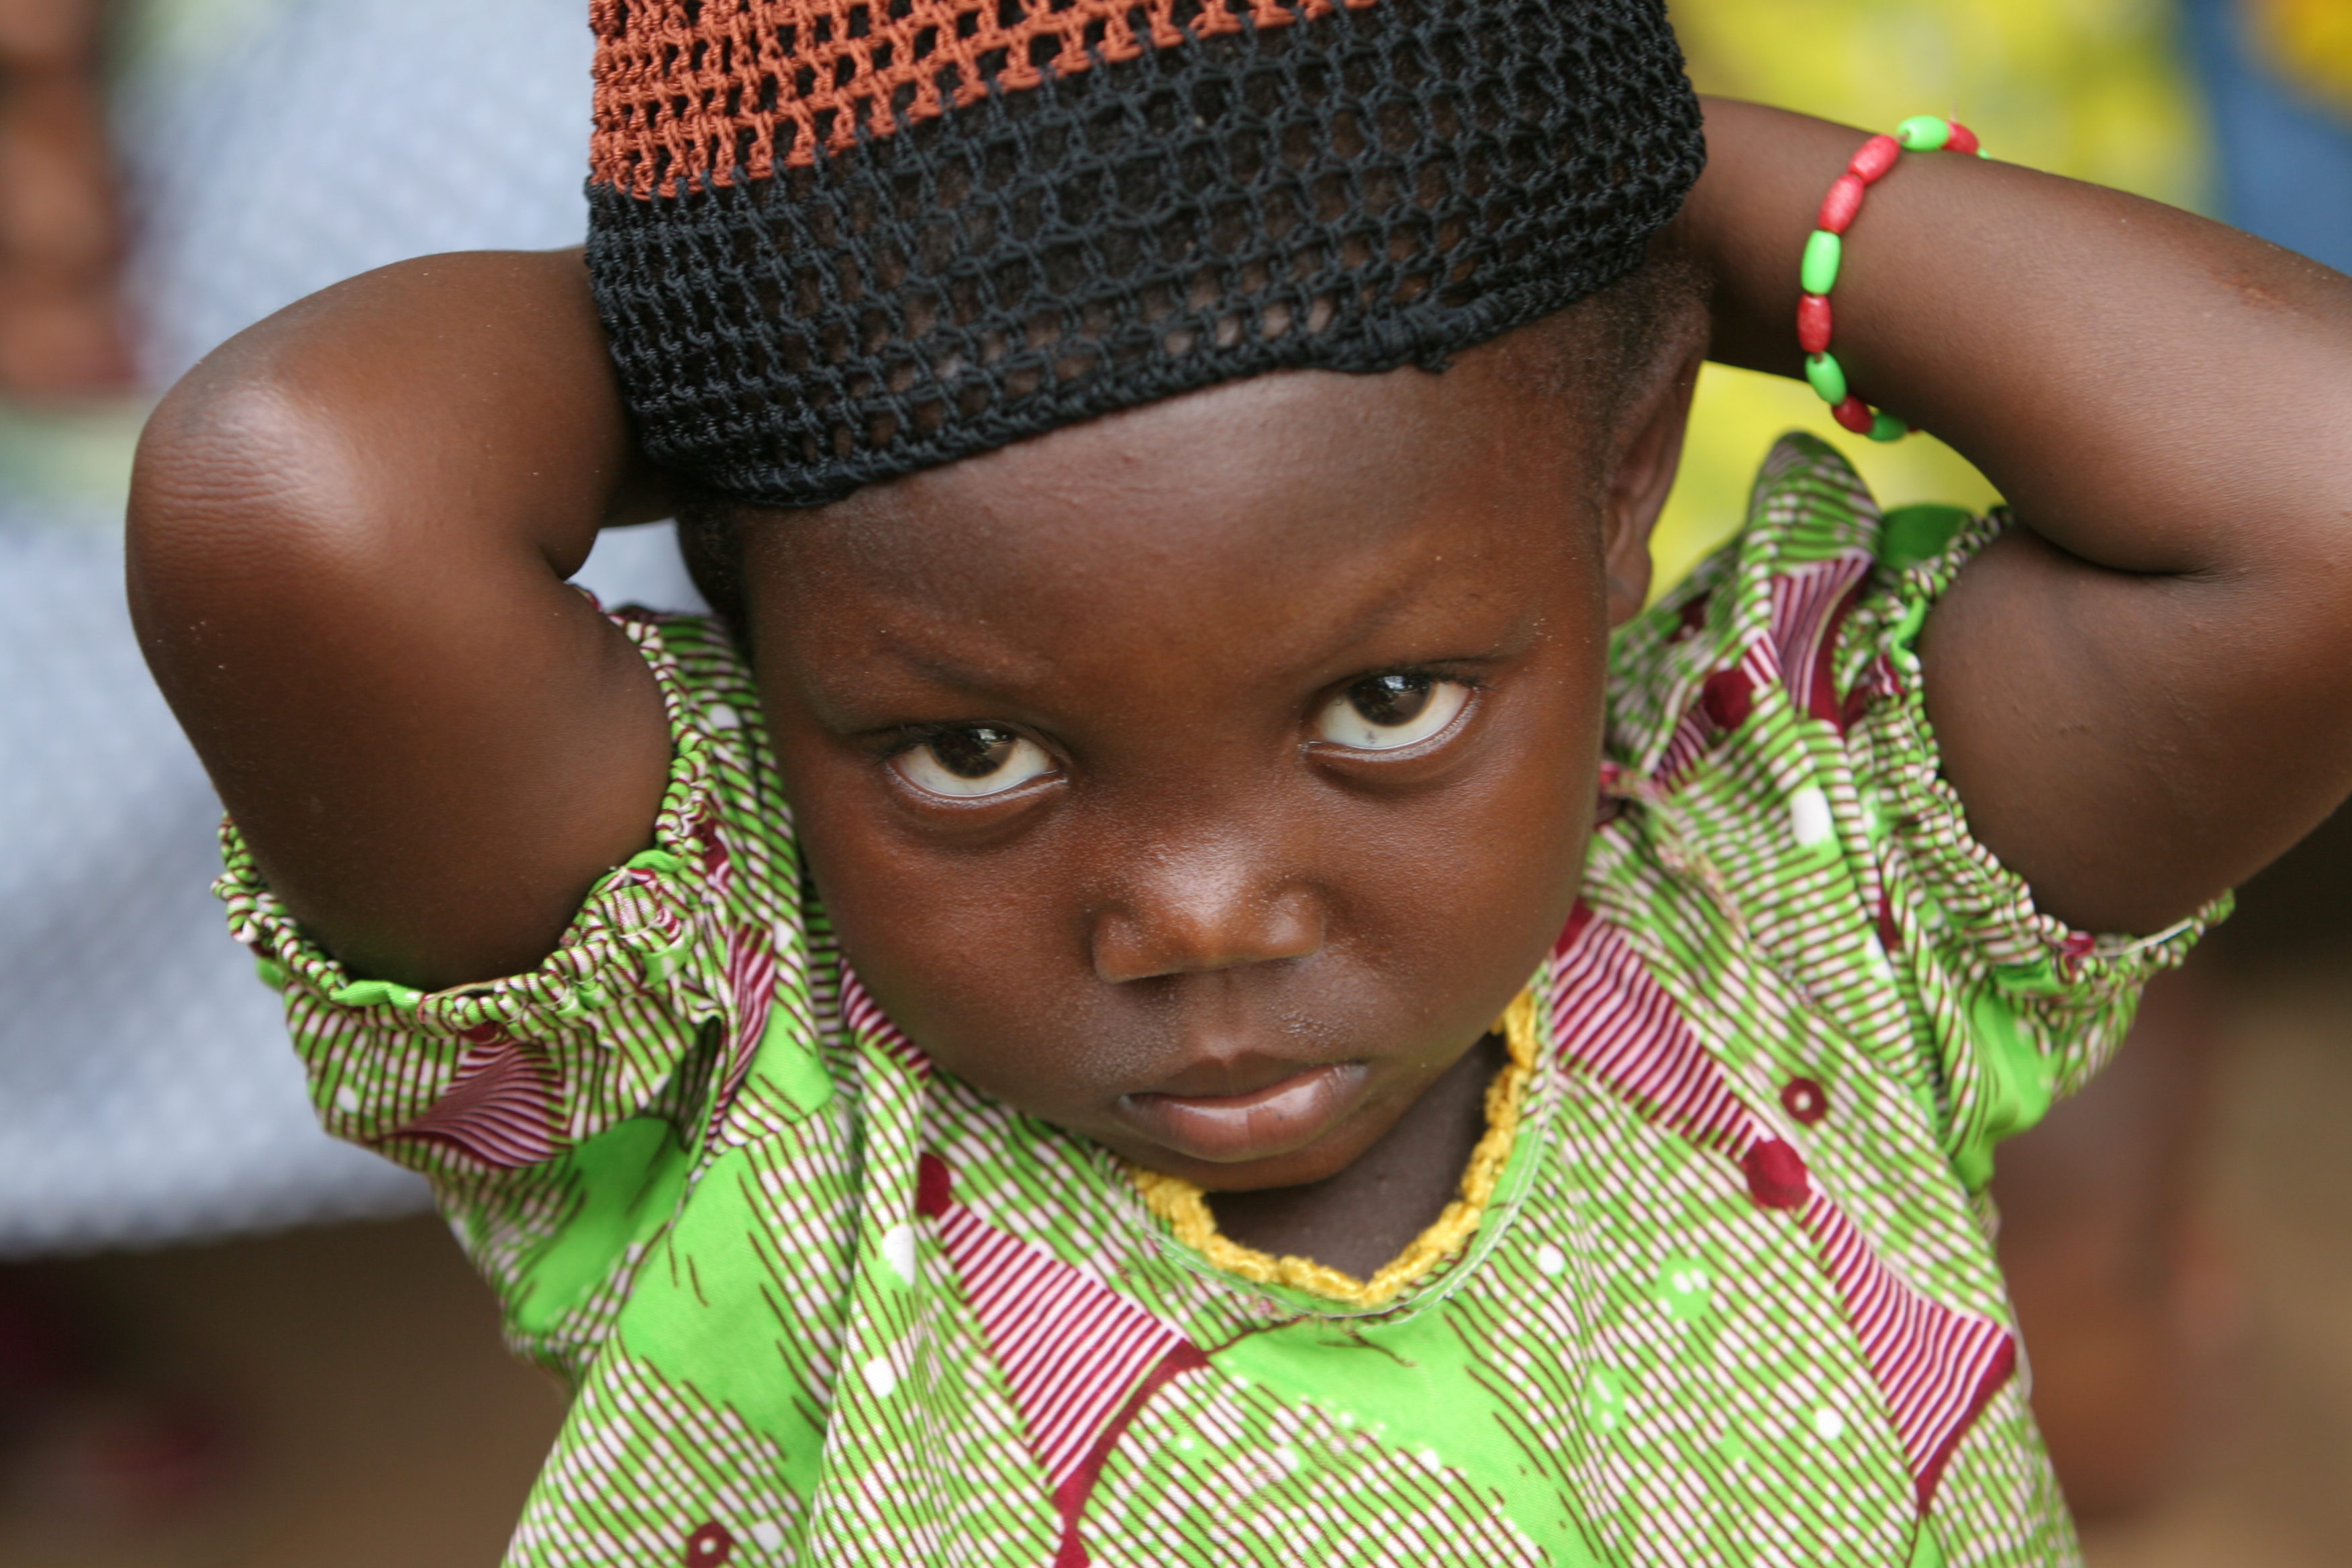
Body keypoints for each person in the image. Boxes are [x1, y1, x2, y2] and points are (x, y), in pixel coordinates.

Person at [124, 0, 2352, 1563]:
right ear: (755, 611)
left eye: (1384, 707)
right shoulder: (738, 1067)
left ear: (1627, 484)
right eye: (974, 751)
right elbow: (293, 498)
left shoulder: (1796, 892)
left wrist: (1631, 200)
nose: (1195, 913)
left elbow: (2312, 495)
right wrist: (807, 340)